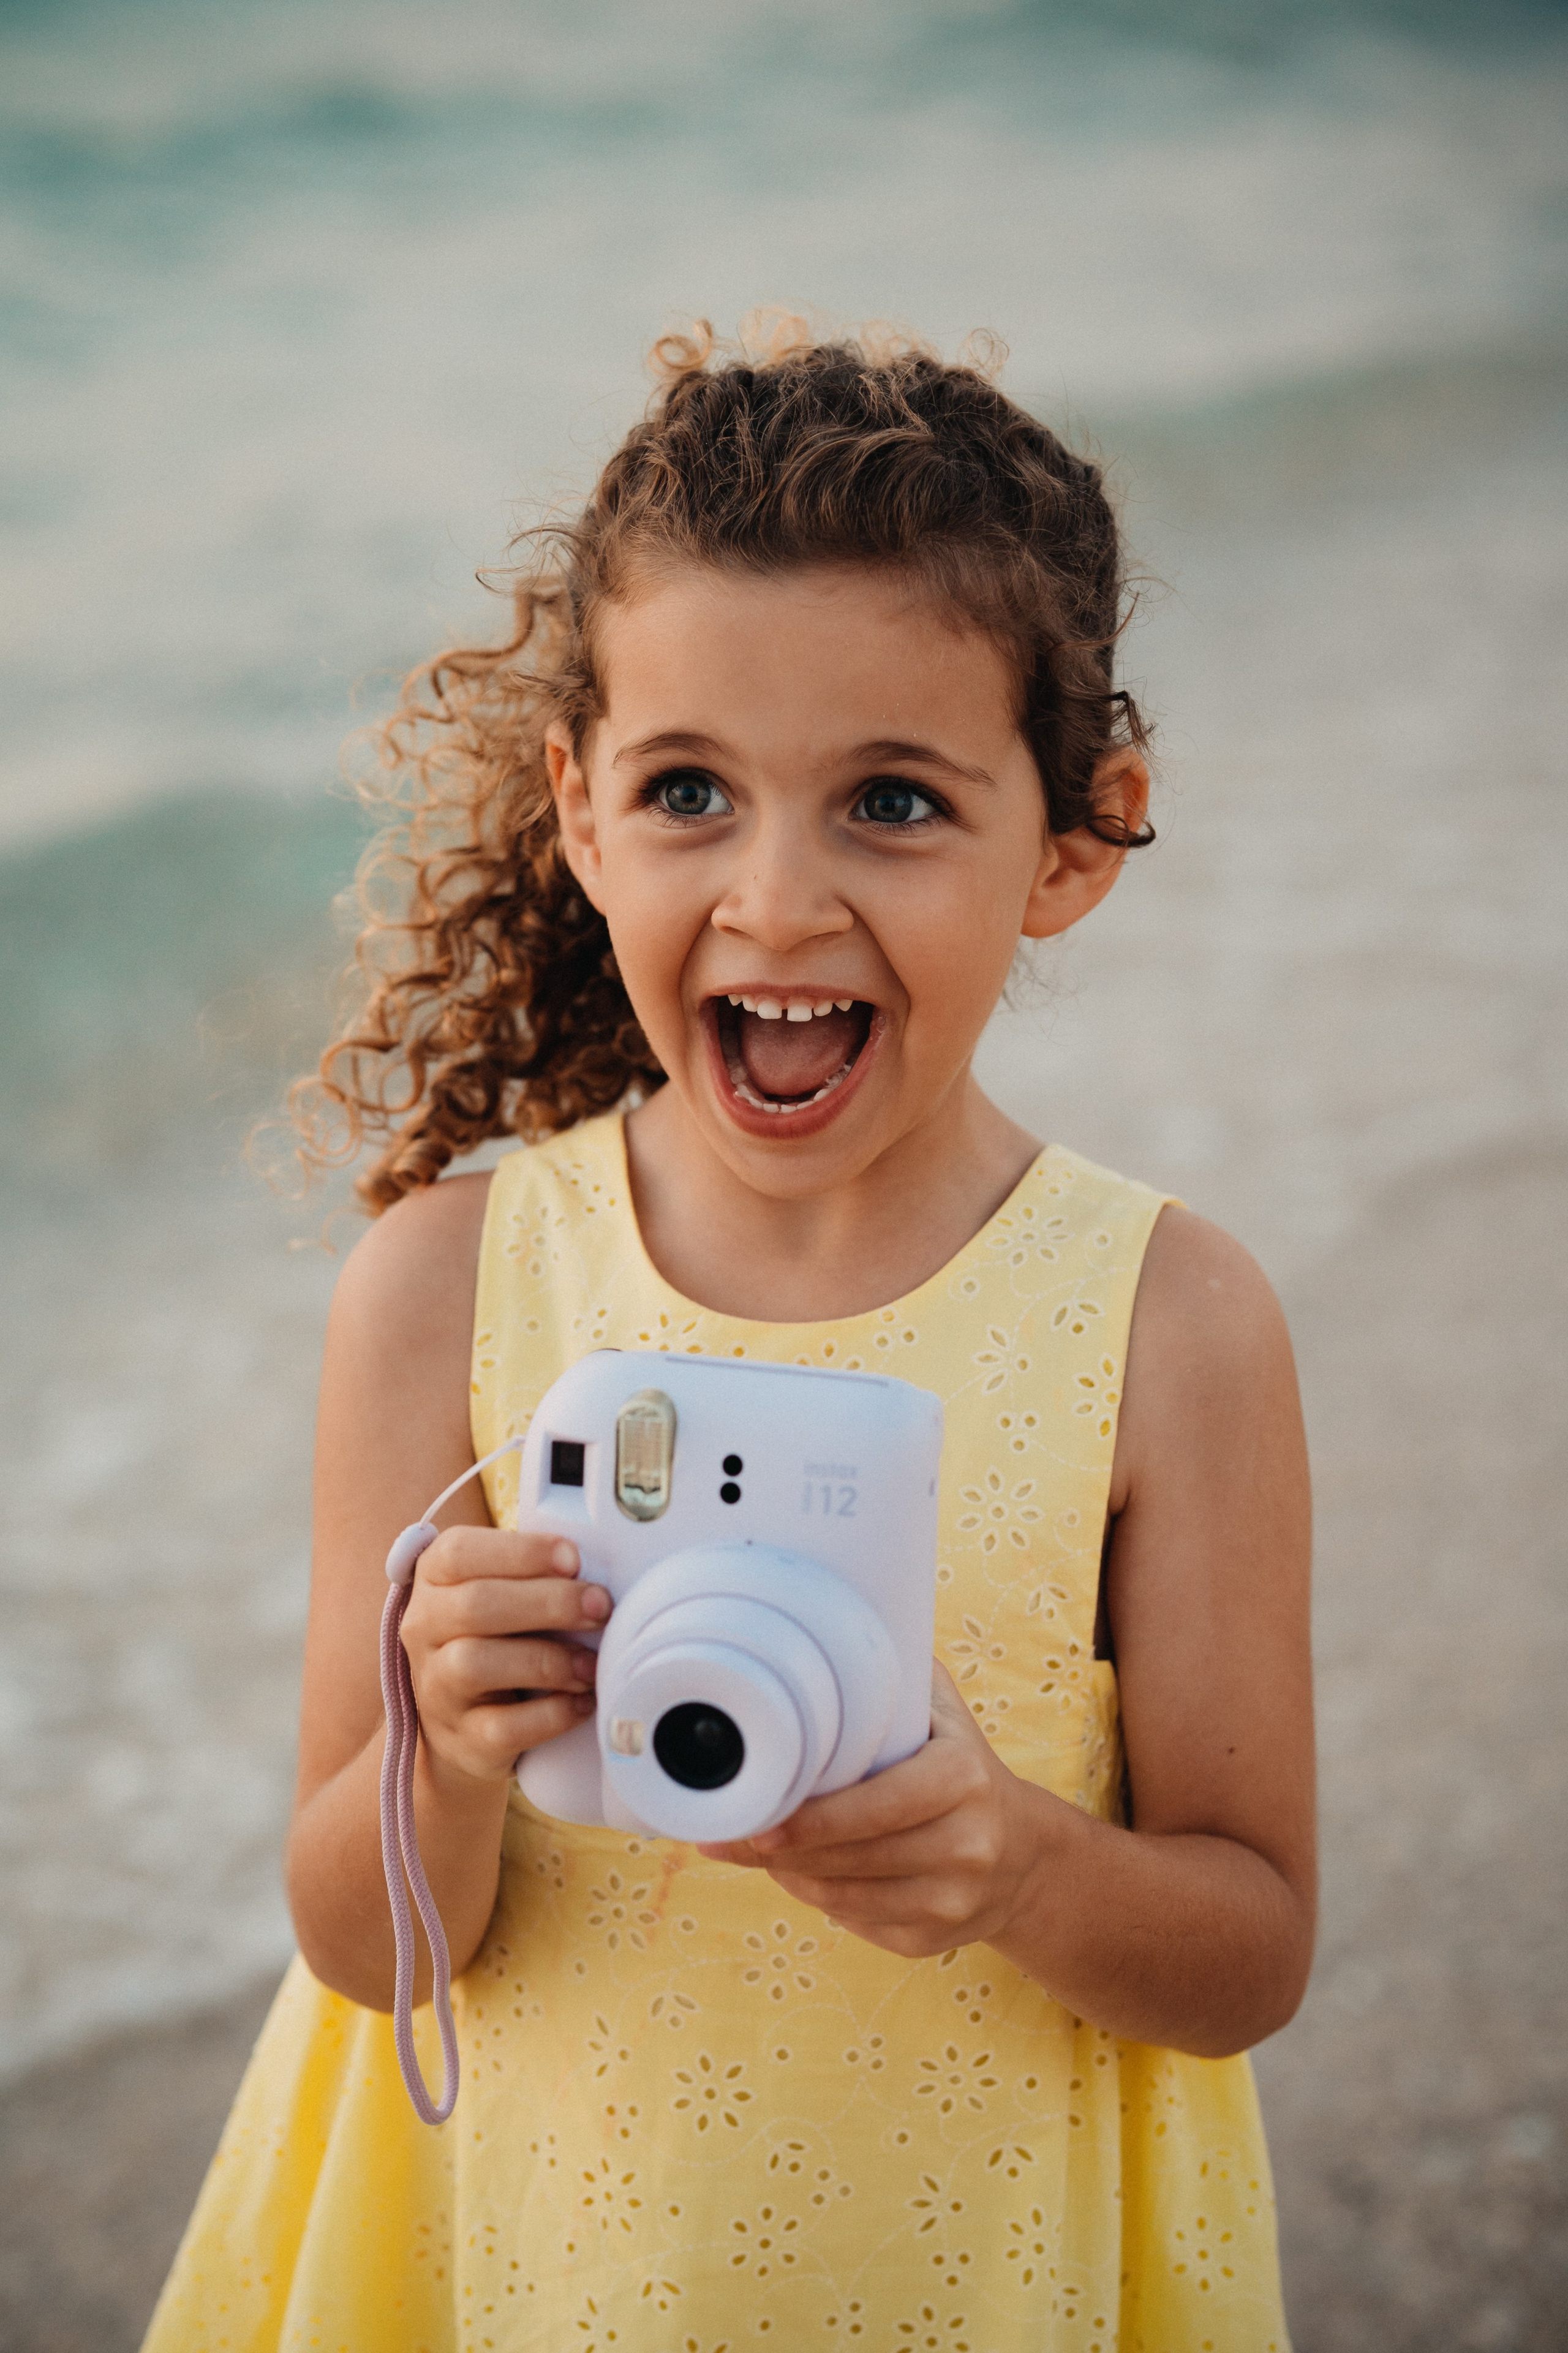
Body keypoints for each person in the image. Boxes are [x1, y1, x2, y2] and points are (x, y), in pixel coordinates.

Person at [145, 318, 1313, 2352]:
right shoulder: (448, 1286)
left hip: (971, 2278)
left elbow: (1251, 1950)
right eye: (690, 789)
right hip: (520, 2268)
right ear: (578, 810)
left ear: (1075, 833)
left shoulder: (1171, 1323)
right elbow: (359, 1945)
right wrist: (441, 1754)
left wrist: (1022, 1861)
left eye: (892, 801)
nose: (776, 900)